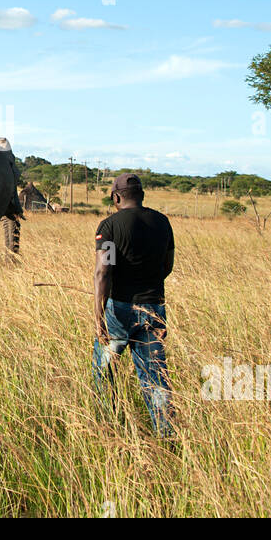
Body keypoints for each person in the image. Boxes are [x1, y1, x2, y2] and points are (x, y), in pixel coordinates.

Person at [92, 173, 176, 436]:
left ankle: (109, 429)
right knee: (155, 379)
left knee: (104, 373)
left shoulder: (110, 226)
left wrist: (99, 317)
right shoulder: (162, 223)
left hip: (119, 310)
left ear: (116, 197)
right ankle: (166, 435)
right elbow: (167, 266)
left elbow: (103, 272)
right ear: (141, 195)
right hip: (154, 310)